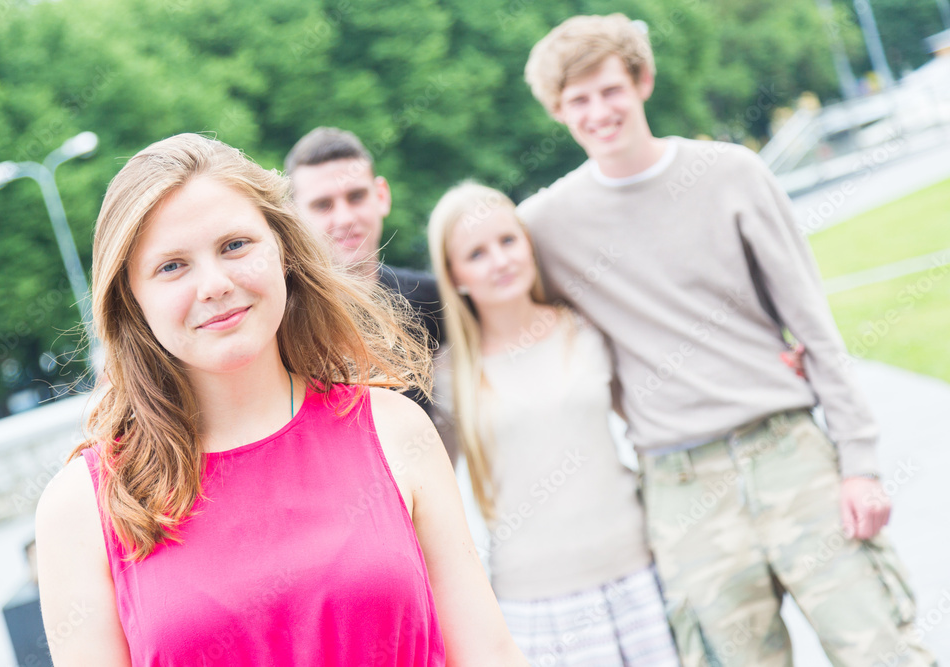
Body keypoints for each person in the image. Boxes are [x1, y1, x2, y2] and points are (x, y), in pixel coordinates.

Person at [516, 14, 935, 667]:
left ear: (642, 80)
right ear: (556, 110)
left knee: (880, 646)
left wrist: (860, 463)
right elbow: (482, 307)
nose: (599, 111)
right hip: (681, 484)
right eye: (578, 100)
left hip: (788, 452)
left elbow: (813, 324)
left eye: (610, 90)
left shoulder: (730, 175)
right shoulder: (545, 226)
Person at [34, 133, 526, 666]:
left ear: (284, 252)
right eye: (172, 266)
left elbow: (488, 653)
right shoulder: (82, 508)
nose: (215, 284)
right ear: (131, 301)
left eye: (234, 246)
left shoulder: (396, 429)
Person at [428, 181, 681, 667]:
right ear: (455, 274)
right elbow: (437, 500)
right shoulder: (450, 373)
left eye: (507, 241)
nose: (500, 261)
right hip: (534, 601)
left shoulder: (585, 328)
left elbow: (657, 413)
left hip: (639, 572)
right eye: (477, 253)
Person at [285, 127, 453, 460]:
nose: (345, 218)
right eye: (322, 205)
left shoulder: (431, 298)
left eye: (356, 196)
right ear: (294, 217)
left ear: (382, 196)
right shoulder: (282, 323)